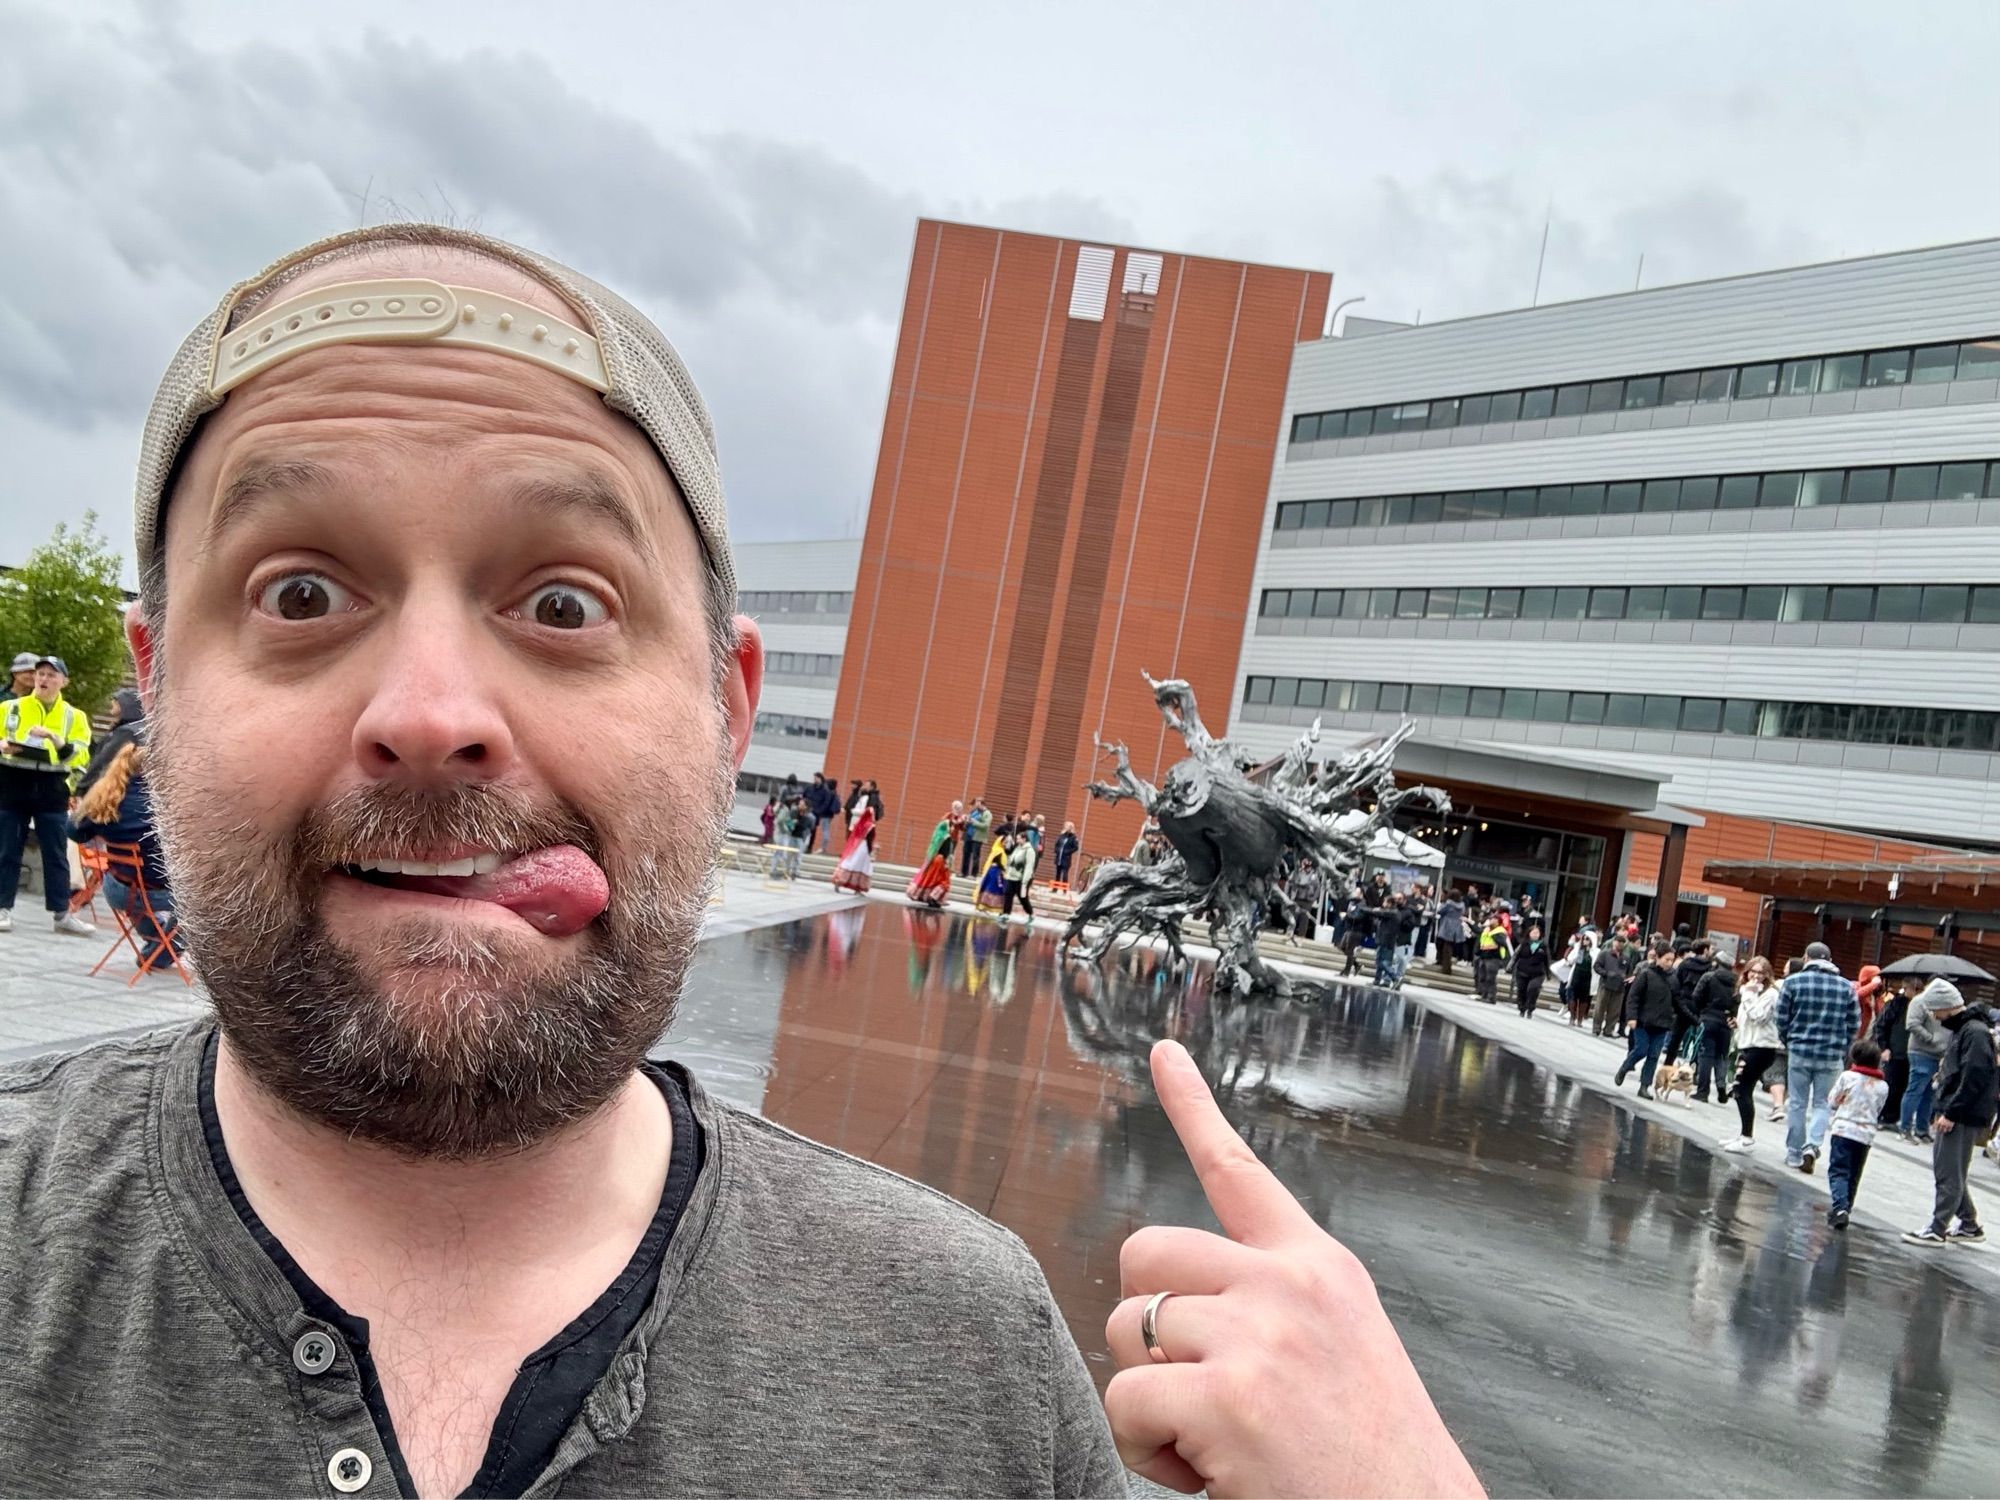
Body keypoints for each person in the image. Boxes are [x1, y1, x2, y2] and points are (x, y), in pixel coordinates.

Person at [0, 222, 1488, 1500]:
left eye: (566, 603)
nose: (431, 716)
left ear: (724, 711)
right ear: (158, 688)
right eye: (303, 589)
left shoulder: (964, 1357)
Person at [0, 654, 96, 937]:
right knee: (7, 850)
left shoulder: (74, 716)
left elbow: (82, 753)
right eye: (40, 674)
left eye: (51, 675)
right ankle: (3, 909)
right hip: (12, 784)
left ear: (63, 681)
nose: (43, 679)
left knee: (56, 852)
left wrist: (55, 740)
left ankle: (62, 914)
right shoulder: (10, 707)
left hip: (52, 788)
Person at [70, 741, 178, 970]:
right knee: (204, 905)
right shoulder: (164, 805)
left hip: (116, 889)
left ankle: (158, 946)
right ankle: (161, 953)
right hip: (156, 892)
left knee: (147, 892)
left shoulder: (107, 796)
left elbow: (74, 831)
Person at [1903, 987, 1998, 1248]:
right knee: (1952, 1170)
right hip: (1963, 1110)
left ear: (1947, 1006)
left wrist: (1951, 1111)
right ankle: (1968, 1223)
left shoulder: (1972, 1031)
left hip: (1962, 1113)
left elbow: (1974, 1075)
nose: (1934, 1015)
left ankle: (1938, 1227)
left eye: (1935, 1010)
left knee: (1948, 1171)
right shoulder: (1970, 1029)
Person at [1777, 942, 1861, 1175]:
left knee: (1797, 1102)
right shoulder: (1846, 987)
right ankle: (1812, 1145)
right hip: (1831, 1054)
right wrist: (1842, 1046)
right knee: (1823, 1103)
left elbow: (1781, 1017)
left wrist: (1789, 1041)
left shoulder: (1793, 982)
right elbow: (1854, 1023)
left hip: (1800, 1050)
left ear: (1806, 958)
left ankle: (1794, 1152)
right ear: (1831, 959)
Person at [1822, 1037, 1890, 1231]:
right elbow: (1879, 1109)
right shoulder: (1883, 1086)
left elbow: (1833, 1101)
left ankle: (1839, 1207)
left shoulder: (1847, 1077)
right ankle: (1847, 1207)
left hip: (1843, 1130)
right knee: (1854, 1173)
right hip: (1866, 1134)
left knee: (1838, 1170)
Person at [1720, 955, 1784, 1153]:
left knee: (1742, 1089)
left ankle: (1747, 1138)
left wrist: (1748, 995)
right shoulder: (1747, 991)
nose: (1755, 977)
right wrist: (1736, 1025)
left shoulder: (1770, 994)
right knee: (1742, 1090)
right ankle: (1743, 1134)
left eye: (1760, 973)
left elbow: (1758, 1017)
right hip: (1748, 1045)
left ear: (1767, 975)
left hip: (1762, 1048)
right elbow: (1746, 1021)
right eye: (1752, 972)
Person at [1615, 939, 1679, 1099]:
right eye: (1667, 960)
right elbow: (1633, 997)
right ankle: (1625, 1067)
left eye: (1672, 960)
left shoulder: (1673, 978)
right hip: (1643, 1021)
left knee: (1654, 1055)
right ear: (1657, 957)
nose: (1670, 963)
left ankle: (1644, 1086)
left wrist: (1675, 1016)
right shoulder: (1646, 974)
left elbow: (1677, 1000)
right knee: (1641, 1050)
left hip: (1663, 1023)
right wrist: (1631, 1017)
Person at [1902, 976, 1955, 1144]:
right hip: (1921, 1052)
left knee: (1930, 1093)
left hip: (1939, 1054)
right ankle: (1905, 1127)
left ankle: (1922, 1129)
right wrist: (1931, 1038)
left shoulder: (1946, 1004)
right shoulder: (1920, 1001)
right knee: (1915, 1089)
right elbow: (1912, 1023)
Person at [78, 687, 148, 798]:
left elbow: (103, 761)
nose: (111, 707)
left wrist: (81, 789)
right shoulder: (143, 729)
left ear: (125, 705)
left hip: (113, 791)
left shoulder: (126, 732)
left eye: (116, 701)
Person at [1690, 949, 1738, 1104]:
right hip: (1726, 1022)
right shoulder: (1736, 981)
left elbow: (1696, 997)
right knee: (1722, 1056)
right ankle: (1721, 1086)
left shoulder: (1709, 977)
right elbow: (1737, 1003)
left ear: (1717, 962)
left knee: (1705, 1056)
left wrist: (1701, 1013)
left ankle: (1703, 1091)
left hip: (1708, 1018)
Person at [1871, 981, 1914, 1128]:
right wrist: (1884, 1047)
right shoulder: (1895, 1004)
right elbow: (1881, 1025)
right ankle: (1881, 1115)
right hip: (1894, 1051)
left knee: (1903, 1086)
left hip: (1910, 1053)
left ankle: (1892, 1118)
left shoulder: (1922, 1005)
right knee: (1890, 1085)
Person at [1667, 938, 1714, 1067]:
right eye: (1711, 949)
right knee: (1700, 1039)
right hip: (1700, 1007)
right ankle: (1695, 1067)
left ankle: (1668, 1065)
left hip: (1683, 1005)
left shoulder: (1685, 964)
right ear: (1705, 950)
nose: (1712, 951)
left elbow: (1676, 982)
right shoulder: (1710, 968)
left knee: (1676, 1038)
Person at [905, 805, 957, 908]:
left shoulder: (938, 837)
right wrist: (947, 863)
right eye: (951, 826)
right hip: (941, 860)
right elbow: (946, 852)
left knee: (931, 879)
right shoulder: (946, 838)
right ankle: (934, 897)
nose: (952, 829)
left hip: (934, 860)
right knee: (944, 882)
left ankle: (926, 895)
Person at [831, 799, 877, 893]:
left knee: (850, 863)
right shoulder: (871, 826)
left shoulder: (859, 823)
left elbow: (852, 835)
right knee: (861, 866)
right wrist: (870, 850)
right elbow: (870, 839)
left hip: (855, 845)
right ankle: (858, 887)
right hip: (864, 847)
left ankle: (839, 881)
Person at [1592, 931, 1631, 1037]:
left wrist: (1625, 978)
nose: (1619, 944)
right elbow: (1597, 966)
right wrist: (1606, 973)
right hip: (1606, 984)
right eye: (1618, 942)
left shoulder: (1626, 958)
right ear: (1614, 942)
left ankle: (1609, 1030)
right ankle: (1596, 1028)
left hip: (1619, 987)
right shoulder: (1605, 954)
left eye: (1622, 942)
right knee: (1600, 1008)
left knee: (1615, 1011)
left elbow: (1629, 971)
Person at [1473, 910, 1511, 1003]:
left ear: (1498, 922)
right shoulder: (1487, 929)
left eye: (1494, 919)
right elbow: (1478, 931)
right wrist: (1470, 923)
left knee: (1490, 978)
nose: (1491, 920)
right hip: (1483, 956)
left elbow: (1504, 943)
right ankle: (1484, 995)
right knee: (1482, 977)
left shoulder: (1500, 931)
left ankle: (1491, 997)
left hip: (1493, 958)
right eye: (1491, 919)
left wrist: (1494, 936)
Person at [1513, 924, 1550, 1019]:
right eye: (1533, 932)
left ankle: (1530, 1008)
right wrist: (1512, 966)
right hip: (1522, 971)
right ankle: (1522, 1007)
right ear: (1529, 933)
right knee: (1521, 990)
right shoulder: (1524, 943)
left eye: (1537, 933)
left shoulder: (1543, 945)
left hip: (1537, 973)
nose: (1535, 934)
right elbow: (1517, 957)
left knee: (1532, 990)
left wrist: (1548, 973)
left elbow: (1547, 960)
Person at [1002, 827, 1038, 924]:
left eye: (1018, 839)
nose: (1017, 840)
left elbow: (1029, 866)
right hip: (1011, 876)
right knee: (1008, 895)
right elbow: (1010, 858)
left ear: (1024, 839)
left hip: (1021, 878)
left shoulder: (1029, 850)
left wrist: (1025, 881)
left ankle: (1030, 913)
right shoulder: (1017, 848)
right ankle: (1005, 913)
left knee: (1023, 898)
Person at [976, 831, 1012, 914]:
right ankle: (984, 905)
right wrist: (1004, 869)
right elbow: (998, 862)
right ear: (1000, 842)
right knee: (992, 888)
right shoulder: (998, 851)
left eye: (1006, 842)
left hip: (997, 871)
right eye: (1004, 842)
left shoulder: (1002, 850)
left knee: (995, 888)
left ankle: (989, 907)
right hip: (995, 872)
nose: (1005, 843)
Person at [1433, 888, 1466, 977]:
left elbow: (1440, 911)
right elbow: (1463, 913)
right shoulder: (1462, 905)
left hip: (1447, 925)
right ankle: (1444, 964)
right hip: (1456, 926)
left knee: (1440, 944)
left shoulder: (1448, 903)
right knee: (1448, 947)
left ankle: (1444, 965)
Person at [961, 797, 992, 877]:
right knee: (966, 854)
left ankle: (973, 874)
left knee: (975, 855)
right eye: (976, 803)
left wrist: (974, 822)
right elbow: (969, 820)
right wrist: (966, 820)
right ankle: (964, 872)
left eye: (978, 803)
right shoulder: (973, 811)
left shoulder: (987, 813)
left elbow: (986, 825)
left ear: (983, 804)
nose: (976, 805)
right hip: (968, 835)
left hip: (977, 837)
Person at [1052, 821, 1079, 886]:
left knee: (1065, 874)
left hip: (1066, 858)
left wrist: (1068, 852)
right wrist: (1056, 850)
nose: (1068, 828)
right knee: (1058, 873)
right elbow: (1057, 844)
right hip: (1059, 857)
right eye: (1067, 826)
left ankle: (1064, 889)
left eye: (1070, 827)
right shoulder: (1062, 835)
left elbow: (1076, 847)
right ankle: (1055, 888)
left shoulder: (1073, 837)